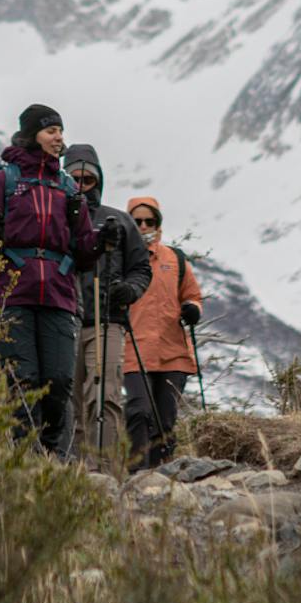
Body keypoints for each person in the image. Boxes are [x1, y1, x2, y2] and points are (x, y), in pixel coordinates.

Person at [0, 103, 98, 455]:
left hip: (58, 295)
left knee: (59, 381)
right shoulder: (2, 180)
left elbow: (83, 251)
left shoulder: (68, 188)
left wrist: (100, 244)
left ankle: (55, 460)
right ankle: (25, 461)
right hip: (12, 294)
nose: (59, 137)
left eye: (60, 131)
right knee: (22, 381)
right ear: (33, 134)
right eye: (51, 130)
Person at [64, 144, 149, 468]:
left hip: (106, 320)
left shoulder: (121, 221)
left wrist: (129, 290)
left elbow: (141, 268)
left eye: (88, 180)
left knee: (104, 394)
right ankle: (76, 470)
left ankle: (107, 470)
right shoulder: (56, 219)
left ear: (98, 180)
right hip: (65, 319)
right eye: (75, 180)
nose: (83, 186)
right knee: (69, 400)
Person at [120, 195, 202, 469]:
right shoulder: (118, 260)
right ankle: (136, 474)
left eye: (149, 221)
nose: (143, 226)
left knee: (166, 418)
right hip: (133, 349)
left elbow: (192, 296)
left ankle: (161, 474)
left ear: (158, 223)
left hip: (172, 351)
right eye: (137, 220)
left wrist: (192, 309)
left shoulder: (175, 259)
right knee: (139, 411)